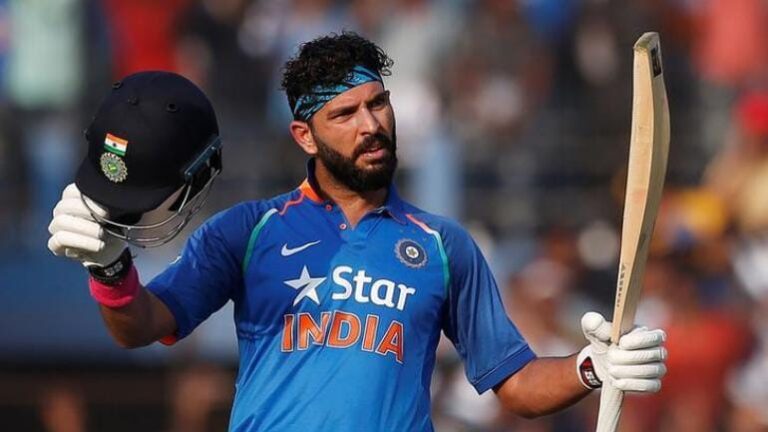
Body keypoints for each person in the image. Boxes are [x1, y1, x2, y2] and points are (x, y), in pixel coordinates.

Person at [47, 32, 667, 431]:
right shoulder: (248, 231)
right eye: (344, 113)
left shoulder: (444, 246)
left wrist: (591, 367)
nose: (371, 125)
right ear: (305, 136)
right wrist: (110, 267)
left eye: (378, 103)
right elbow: (142, 326)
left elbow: (515, 383)